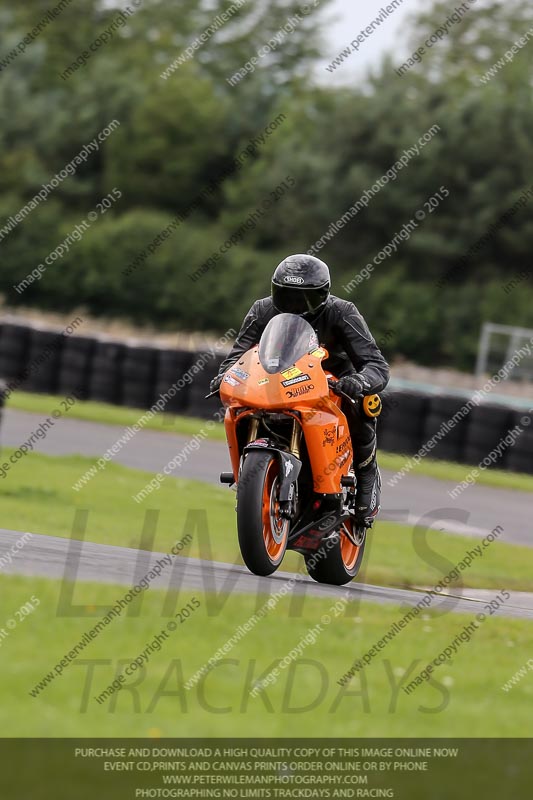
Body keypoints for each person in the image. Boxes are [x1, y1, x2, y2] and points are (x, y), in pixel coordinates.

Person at [210, 254, 390, 526]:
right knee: (239, 406)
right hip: (276, 379)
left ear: (323, 295)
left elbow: (376, 364)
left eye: (304, 299)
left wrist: (361, 381)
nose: (295, 306)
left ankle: (366, 475)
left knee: (366, 403)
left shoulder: (342, 312)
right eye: (287, 296)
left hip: (332, 380)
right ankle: (247, 476)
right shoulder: (262, 310)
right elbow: (237, 355)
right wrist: (224, 375)